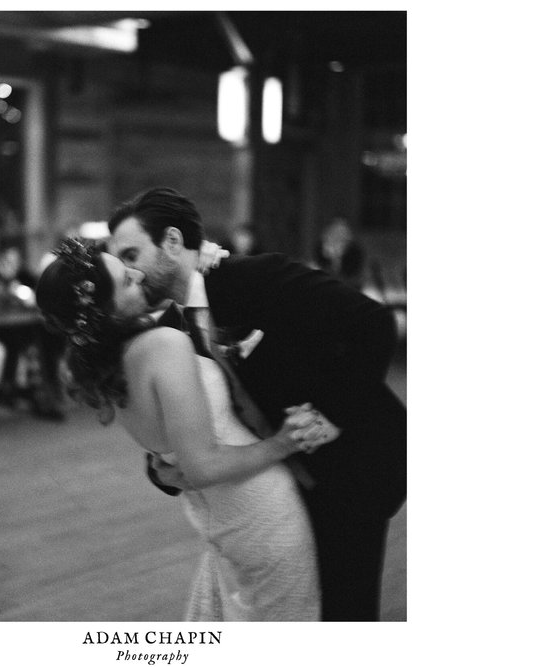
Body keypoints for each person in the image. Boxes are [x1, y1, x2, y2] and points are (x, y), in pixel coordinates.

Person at [108, 187, 406, 621]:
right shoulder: (172, 331)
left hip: (352, 465)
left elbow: (374, 325)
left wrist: (331, 418)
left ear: (172, 242)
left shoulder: (257, 277)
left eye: (132, 255)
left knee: (346, 612)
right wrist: (162, 472)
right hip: (278, 488)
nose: (131, 274)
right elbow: (186, 423)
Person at [36, 238, 339, 621]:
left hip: (220, 520)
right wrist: (282, 443)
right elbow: (202, 466)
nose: (137, 273)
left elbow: (176, 451)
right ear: (106, 313)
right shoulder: (164, 344)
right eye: (126, 280)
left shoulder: (113, 363)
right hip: (260, 514)